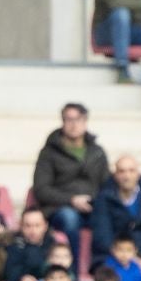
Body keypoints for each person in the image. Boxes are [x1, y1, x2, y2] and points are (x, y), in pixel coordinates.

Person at [31, 102, 110, 253]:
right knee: (70, 218)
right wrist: (72, 200)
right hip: (59, 208)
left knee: (109, 217)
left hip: (93, 206)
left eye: (78, 119)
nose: (73, 124)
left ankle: (100, 267)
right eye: (68, 119)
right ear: (62, 122)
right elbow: (41, 189)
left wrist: (96, 202)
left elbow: (107, 184)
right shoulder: (49, 152)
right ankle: (72, 271)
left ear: (85, 121)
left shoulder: (97, 152)